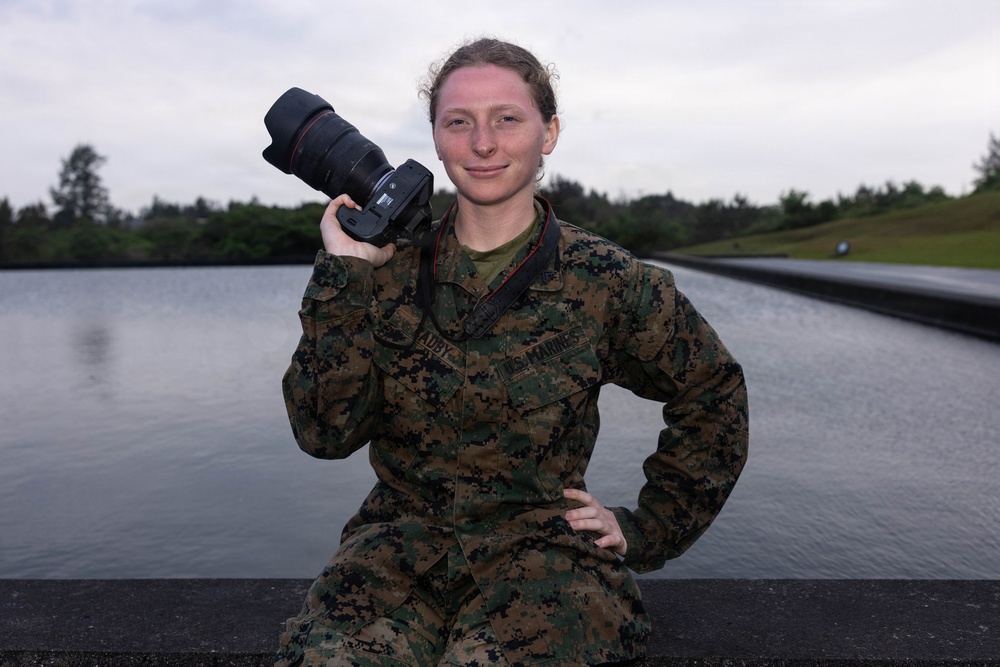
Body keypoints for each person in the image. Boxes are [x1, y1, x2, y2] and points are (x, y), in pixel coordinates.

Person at [275, 37, 748, 667]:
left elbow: (712, 390)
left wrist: (648, 527)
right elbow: (323, 434)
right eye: (458, 122)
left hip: (547, 567)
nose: (483, 144)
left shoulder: (604, 278)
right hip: (393, 560)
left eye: (507, 119)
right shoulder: (379, 270)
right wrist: (344, 277)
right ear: (436, 138)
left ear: (548, 132)